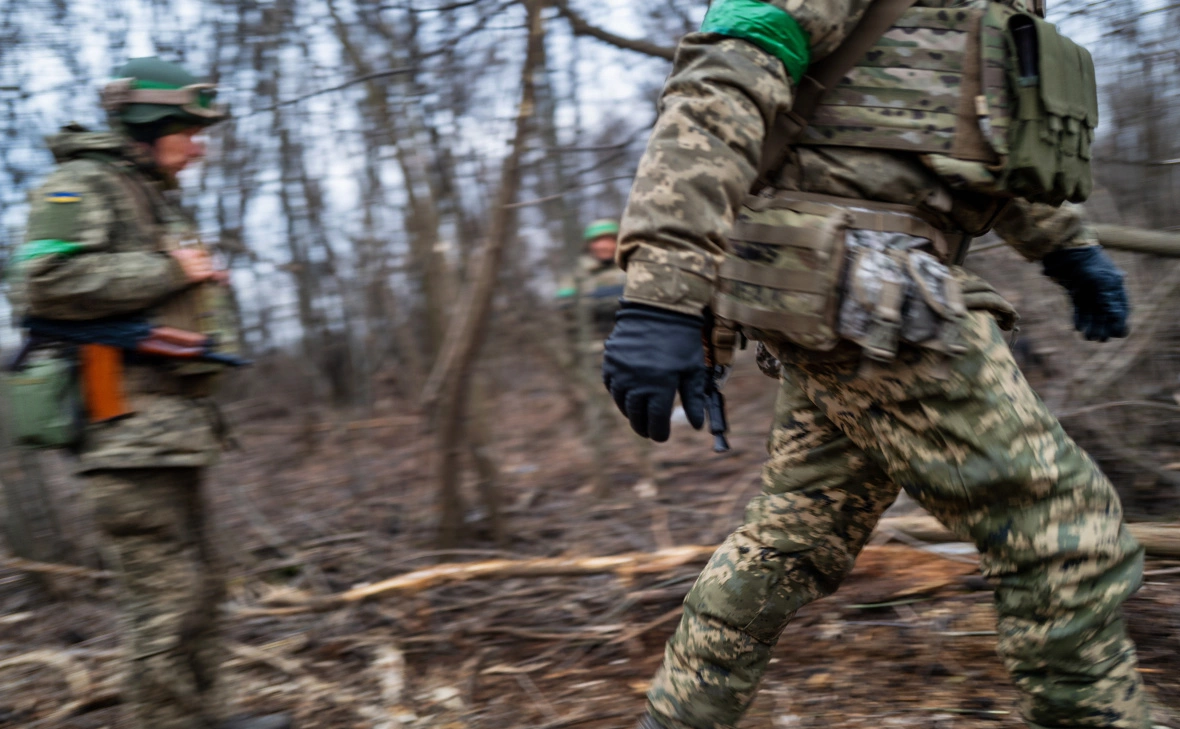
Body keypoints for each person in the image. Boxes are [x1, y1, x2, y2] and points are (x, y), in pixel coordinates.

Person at [600, 1, 1155, 728]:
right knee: (1063, 532)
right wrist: (664, 296)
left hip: (876, 288)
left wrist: (1066, 245)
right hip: (865, 286)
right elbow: (724, 81)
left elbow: (975, 137)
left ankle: (679, 717)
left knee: (794, 536)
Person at [5, 58, 289, 729]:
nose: (199, 145)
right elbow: (39, 281)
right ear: (148, 125)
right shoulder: (79, 182)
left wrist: (193, 283)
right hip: (123, 426)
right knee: (163, 599)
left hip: (172, 426)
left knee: (201, 587)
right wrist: (169, 267)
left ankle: (210, 715)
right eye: (189, 130)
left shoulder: (149, 192)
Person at [558, 220, 660, 492]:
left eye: (609, 239)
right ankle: (600, 478)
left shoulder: (632, 268)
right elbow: (568, 308)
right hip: (589, 357)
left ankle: (647, 475)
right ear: (589, 245)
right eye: (598, 240)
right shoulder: (577, 274)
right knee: (595, 418)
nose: (603, 245)